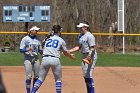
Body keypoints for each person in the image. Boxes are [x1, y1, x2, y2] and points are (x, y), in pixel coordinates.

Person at [31, 25, 75, 93]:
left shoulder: (47, 39)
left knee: (40, 78)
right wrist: (71, 56)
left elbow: (42, 46)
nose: (61, 32)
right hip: (55, 59)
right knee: (58, 80)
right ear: (59, 31)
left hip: (45, 59)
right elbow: (65, 53)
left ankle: (32, 92)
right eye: (61, 31)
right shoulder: (61, 40)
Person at [68, 21, 97, 93]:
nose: (80, 28)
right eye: (80, 27)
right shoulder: (80, 35)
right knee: (85, 75)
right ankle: (89, 91)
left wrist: (89, 56)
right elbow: (78, 47)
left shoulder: (89, 36)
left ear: (86, 27)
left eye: (81, 27)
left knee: (88, 74)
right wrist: (69, 51)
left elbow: (92, 47)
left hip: (91, 55)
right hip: (84, 55)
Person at [20, 26, 42, 93]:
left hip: (35, 58)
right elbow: (21, 50)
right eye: (35, 30)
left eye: (37, 30)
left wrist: (44, 52)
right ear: (31, 31)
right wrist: (27, 49)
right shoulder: (25, 39)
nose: (36, 31)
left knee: (37, 76)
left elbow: (40, 50)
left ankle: (33, 91)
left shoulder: (38, 39)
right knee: (29, 76)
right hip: (27, 58)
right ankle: (28, 92)